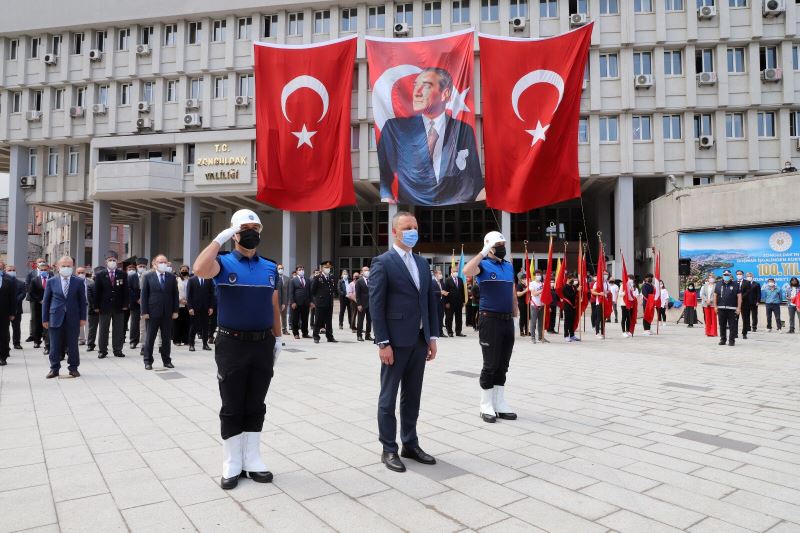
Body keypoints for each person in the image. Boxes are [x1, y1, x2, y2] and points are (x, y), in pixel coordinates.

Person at [193, 209, 280, 490]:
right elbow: (198, 269)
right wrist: (220, 238)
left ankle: (252, 459)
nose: (252, 232)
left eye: (256, 227)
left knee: (256, 403)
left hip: (262, 343)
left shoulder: (269, 266)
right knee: (232, 404)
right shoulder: (222, 262)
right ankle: (231, 462)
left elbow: (273, 304)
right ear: (235, 233)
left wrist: (278, 339)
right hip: (232, 343)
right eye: (245, 228)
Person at [370, 211, 439, 473]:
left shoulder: (422, 263)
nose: (412, 231)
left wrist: (432, 337)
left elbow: (428, 301)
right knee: (388, 398)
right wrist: (383, 342)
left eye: (415, 227)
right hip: (395, 343)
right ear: (395, 232)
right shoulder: (383, 262)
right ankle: (389, 448)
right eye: (407, 227)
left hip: (419, 340)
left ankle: (410, 443)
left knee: (413, 396)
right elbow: (376, 305)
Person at [377, 68, 484, 205]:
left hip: (453, 208)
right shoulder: (395, 128)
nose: (417, 92)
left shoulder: (463, 130)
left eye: (426, 86)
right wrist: (386, 196)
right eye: (415, 85)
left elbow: (472, 176)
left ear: (445, 94)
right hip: (411, 207)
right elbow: (385, 173)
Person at [463, 231, 519, 424]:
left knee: (503, 364)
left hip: (507, 320)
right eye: (499, 245)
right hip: (490, 320)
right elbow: (466, 271)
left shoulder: (508, 266)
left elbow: (511, 290)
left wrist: (515, 312)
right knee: (491, 364)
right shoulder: (483, 265)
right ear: (489, 247)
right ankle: (485, 404)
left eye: (504, 244)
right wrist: (483, 252)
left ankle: (499, 402)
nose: (503, 248)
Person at [42, 257, 86, 378]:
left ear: (73, 267)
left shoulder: (78, 282)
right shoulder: (51, 281)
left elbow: (83, 301)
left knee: (73, 344)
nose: (66, 268)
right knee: (55, 344)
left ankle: (73, 368)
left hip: (73, 317)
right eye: (64, 266)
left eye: (69, 266)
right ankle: (54, 368)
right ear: (58, 266)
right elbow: (46, 301)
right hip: (55, 317)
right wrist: (44, 319)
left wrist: (83, 318)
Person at [140, 255, 179, 370]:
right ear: (154, 263)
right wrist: (144, 311)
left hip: (167, 313)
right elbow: (144, 295)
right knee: (150, 338)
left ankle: (166, 360)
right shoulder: (148, 276)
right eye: (160, 262)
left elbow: (175, 295)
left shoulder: (171, 277)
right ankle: (148, 361)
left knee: (166, 338)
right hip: (152, 313)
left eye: (165, 262)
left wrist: (175, 310)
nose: (163, 264)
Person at [94, 251, 129, 358]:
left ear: (117, 261)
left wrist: (125, 304)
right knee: (104, 329)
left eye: (114, 260)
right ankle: (102, 350)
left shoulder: (122, 274)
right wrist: (96, 306)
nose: (112, 262)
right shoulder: (100, 274)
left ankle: (117, 350)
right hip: (104, 307)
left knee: (118, 329)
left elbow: (125, 291)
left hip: (119, 306)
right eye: (110, 260)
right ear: (106, 262)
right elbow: (97, 292)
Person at [310, 260, 338, 344]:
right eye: (326, 267)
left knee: (329, 321)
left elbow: (333, 290)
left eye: (329, 268)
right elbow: (313, 291)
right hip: (320, 302)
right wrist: (316, 300)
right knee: (318, 320)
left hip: (329, 302)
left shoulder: (332, 278)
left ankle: (330, 336)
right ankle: (316, 336)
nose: (328, 269)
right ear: (322, 268)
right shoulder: (318, 278)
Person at [187, 272, 215, 351]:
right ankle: (191, 344)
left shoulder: (209, 280)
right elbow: (189, 295)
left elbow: (211, 294)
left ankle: (205, 344)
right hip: (195, 308)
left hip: (206, 307)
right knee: (193, 326)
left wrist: (211, 307)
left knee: (205, 326)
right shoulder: (192, 280)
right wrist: (190, 307)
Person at [27, 260, 52, 351]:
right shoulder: (35, 280)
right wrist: (40, 300)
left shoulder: (52, 278)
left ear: (48, 269)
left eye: (45, 269)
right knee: (36, 322)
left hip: (49, 304)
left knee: (47, 322)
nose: (44, 271)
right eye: (42, 270)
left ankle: (47, 341)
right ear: (39, 270)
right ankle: (36, 341)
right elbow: (31, 292)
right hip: (37, 304)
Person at [713, 270, 741, 346]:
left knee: (732, 325)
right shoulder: (718, 284)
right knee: (722, 325)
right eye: (725, 275)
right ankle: (723, 339)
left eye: (728, 275)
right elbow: (715, 296)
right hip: (721, 308)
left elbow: (739, 297)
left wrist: (738, 308)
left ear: (730, 275)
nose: (726, 276)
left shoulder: (735, 284)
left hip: (732, 309)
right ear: (723, 275)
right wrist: (715, 306)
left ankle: (732, 341)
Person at [4, 264, 26, 350]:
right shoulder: (3, 282)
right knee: (5, 327)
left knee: (16, 327)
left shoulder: (21, 283)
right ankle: (6, 344)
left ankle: (16, 343)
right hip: (5, 309)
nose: (11, 272)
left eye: (13, 270)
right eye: (9, 270)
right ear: (5, 272)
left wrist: (14, 300)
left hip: (17, 308)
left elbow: (23, 294)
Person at [288, 264, 311, 339]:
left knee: (305, 319)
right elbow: (291, 292)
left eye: (302, 269)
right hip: (296, 303)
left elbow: (310, 291)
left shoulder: (307, 280)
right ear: (297, 271)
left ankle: (305, 333)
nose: (301, 271)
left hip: (306, 303)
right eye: (299, 269)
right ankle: (296, 333)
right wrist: (293, 302)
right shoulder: (293, 280)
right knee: (295, 319)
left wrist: (311, 301)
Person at [0, 266, 17, 366]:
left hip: (4, 312)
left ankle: (3, 356)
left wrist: (12, 313)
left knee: (3, 334)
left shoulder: (8, 281)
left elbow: (13, 298)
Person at [444, 268, 466, 337]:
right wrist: (446, 302)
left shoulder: (460, 279)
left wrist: (463, 301)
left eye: (456, 271)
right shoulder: (448, 280)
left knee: (459, 318)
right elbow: (445, 292)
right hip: (450, 303)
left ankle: (458, 332)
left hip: (459, 303)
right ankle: (450, 332)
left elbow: (462, 291)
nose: (456, 272)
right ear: (451, 271)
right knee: (449, 318)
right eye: (454, 271)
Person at [126, 260, 141, 349]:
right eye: (140, 266)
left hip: (146, 302)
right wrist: (136, 299)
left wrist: (143, 298)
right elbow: (129, 289)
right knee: (134, 322)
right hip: (135, 303)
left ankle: (145, 341)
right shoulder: (132, 277)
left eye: (143, 266)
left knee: (146, 323)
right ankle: (133, 341)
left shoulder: (148, 275)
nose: (141, 268)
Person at [355, 265, 372, 341]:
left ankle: (367, 335)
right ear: (362, 272)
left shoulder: (372, 280)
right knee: (360, 320)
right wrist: (359, 304)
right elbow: (357, 294)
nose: (367, 272)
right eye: (365, 270)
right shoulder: (359, 281)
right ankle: (359, 335)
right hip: (362, 304)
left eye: (368, 270)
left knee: (369, 320)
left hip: (370, 304)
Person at [590, 274, 610, 338]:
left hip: (605, 301)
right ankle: (597, 333)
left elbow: (609, 291)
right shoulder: (597, 283)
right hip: (599, 302)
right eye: (604, 274)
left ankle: (602, 332)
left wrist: (605, 292)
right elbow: (593, 291)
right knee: (598, 317)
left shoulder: (607, 283)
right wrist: (599, 293)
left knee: (603, 318)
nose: (605, 275)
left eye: (606, 274)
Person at [529, 270, 544, 343]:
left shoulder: (543, 284)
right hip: (534, 305)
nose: (539, 276)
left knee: (541, 322)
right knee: (533, 322)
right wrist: (542, 290)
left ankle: (540, 337)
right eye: (537, 274)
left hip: (542, 305)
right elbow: (534, 293)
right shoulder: (532, 283)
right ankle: (532, 337)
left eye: (539, 274)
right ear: (535, 275)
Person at [735, 270, 751, 339]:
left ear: (743, 275)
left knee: (745, 319)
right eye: (738, 274)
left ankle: (744, 333)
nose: (739, 275)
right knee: (735, 319)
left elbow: (748, 292)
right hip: (735, 304)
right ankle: (735, 333)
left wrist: (740, 298)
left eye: (740, 274)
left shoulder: (747, 282)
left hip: (745, 303)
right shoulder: (733, 283)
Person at [562, 275, 579, 342]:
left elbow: (575, 296)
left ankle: (572, 335)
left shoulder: (573, 286)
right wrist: (576, 291)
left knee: (572, 321)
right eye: (572, 279)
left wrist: (577, 290)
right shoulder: (565, 287)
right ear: (568, 279)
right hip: (568, 306)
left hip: (573, 306)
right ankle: (566, 335)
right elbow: (569, 296)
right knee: (567, 321)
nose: (573, 281)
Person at [86, 268, 99, 350]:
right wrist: (96, 307)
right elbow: (90, 298)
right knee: (92, 328)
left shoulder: (106, 286)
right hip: (93, 310)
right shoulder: (91, 286)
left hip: (104, 310)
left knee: (104, 329)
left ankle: (103, 344)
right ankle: (90, 344)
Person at [276, 264, 289, 335]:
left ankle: (284, 329)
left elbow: (288, 291)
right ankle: (276, 330)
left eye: (281, 268)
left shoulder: (287, 278)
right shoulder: (275, 278)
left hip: (284, 300)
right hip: (276, 300)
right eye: (279, 268)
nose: (280, 269)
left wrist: (285, 302)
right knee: (276, 316)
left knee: (284, 316)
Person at [432, 269, 446, 334]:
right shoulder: (432, 282)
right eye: (439, 273)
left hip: (441, 302)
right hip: (435, 303)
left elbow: (443, 291)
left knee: (441, 317)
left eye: (441, 273)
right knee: (435, 318)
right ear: (435, 274)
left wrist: (445, 293)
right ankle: (435, 332)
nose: (441, 275)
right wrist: (440, 292)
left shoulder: (441, 282)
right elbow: (431, 292)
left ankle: (440, 332)